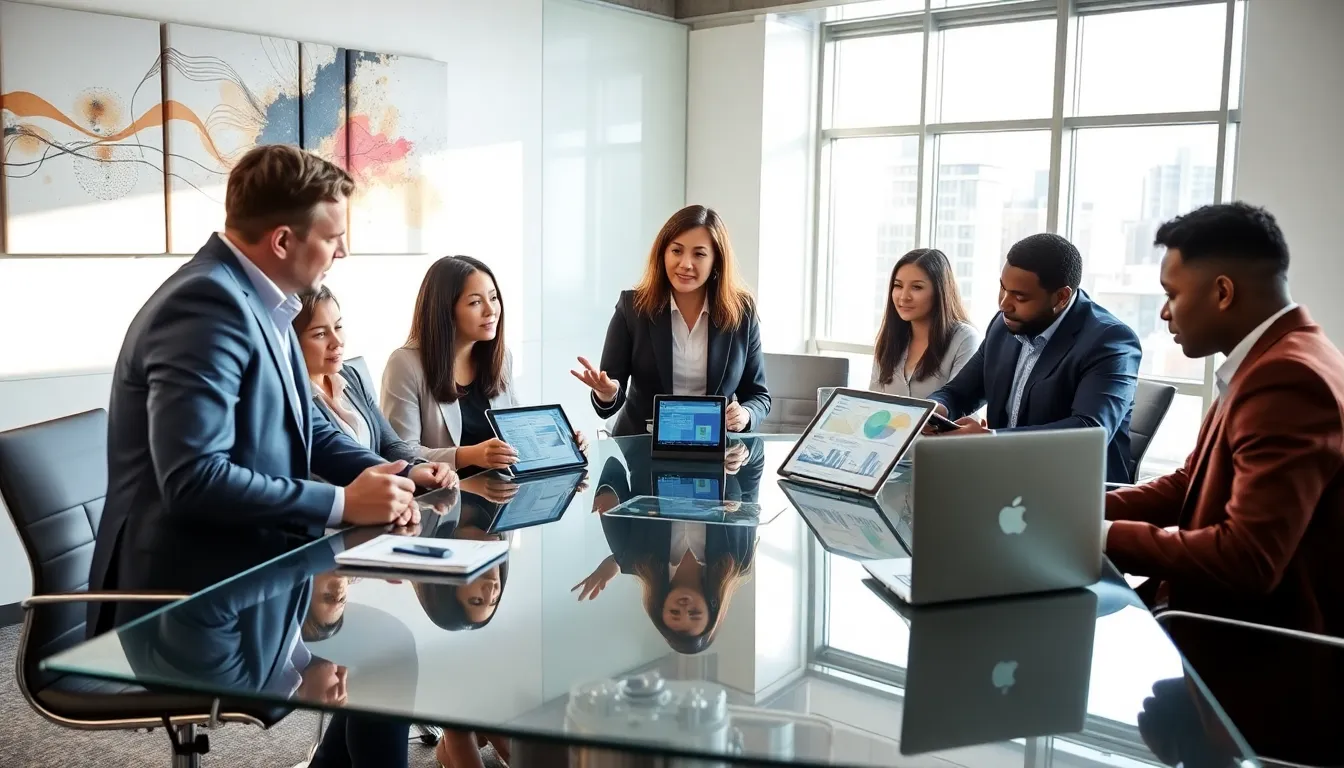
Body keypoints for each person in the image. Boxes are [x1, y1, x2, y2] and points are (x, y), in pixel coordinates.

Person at [89, 145, 433, 636]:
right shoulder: (205, 306)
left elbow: (309, 429)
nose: (343, 251)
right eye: (333, 237)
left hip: (254, 567)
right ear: (282, 241)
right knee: (377, 667)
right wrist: (343, 503)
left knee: (379, 667)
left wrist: (399, 475)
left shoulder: (268, 303)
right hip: (187, 600)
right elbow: (194, 479)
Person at [1104, 202, 1344, 638]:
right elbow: (1189, 482)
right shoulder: (1273, 357)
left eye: (1171, 294)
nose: (1164, 312)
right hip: (1204, 617)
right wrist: (1073, 511)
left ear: (1222, 293)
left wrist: (1101, 535)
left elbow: (1248, 558)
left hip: (1248, 655)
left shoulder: (1287, 378)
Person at [925, 233, 1142, 484]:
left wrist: (992, 439)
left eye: (1020, 297)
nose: (1004, 305)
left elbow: (1090, 430)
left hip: (1075, 491)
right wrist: (935, 410)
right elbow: (959, 392)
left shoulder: (1110, 340)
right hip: (1006, 483)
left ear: (1061, 297)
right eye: (1002, 289)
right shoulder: (1004, 324)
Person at [381, 255, 588, 477]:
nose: (491, 311)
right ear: (445, 311)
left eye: (494, 298)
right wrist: (469, 455)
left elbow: (516, 429)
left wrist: (561, 440)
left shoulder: (501, 357)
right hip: (441, 500)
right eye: (475, 302)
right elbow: (401, 453)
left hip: (497, 495)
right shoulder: (405, 364)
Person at [573, 205, 771, 436]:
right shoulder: (632, 307)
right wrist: (607, 394)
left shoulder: (741, 312)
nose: (686, 264)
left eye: (699, 254)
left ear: (716, 260)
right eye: (677, 251)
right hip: (640, 446)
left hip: (714, 448)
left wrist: (745, 414)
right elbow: (611, 395)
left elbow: (758, 396)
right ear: (663, 253)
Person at [293, 285, 456, 488]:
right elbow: (332, 457)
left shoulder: (350, 376)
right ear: (291, 340)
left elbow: (390, 444)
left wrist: (422, 466)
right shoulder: (293, 395)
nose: (336, 341)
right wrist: (404, 474)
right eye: (319, 334)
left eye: (338, 327)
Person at [870, 248, 981, 398]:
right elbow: (872, 404)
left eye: (917, 287)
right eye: (898, 286)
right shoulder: (889, 340)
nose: (903, 297)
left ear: (940, 291)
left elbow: (963, 405)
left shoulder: (964, 339)